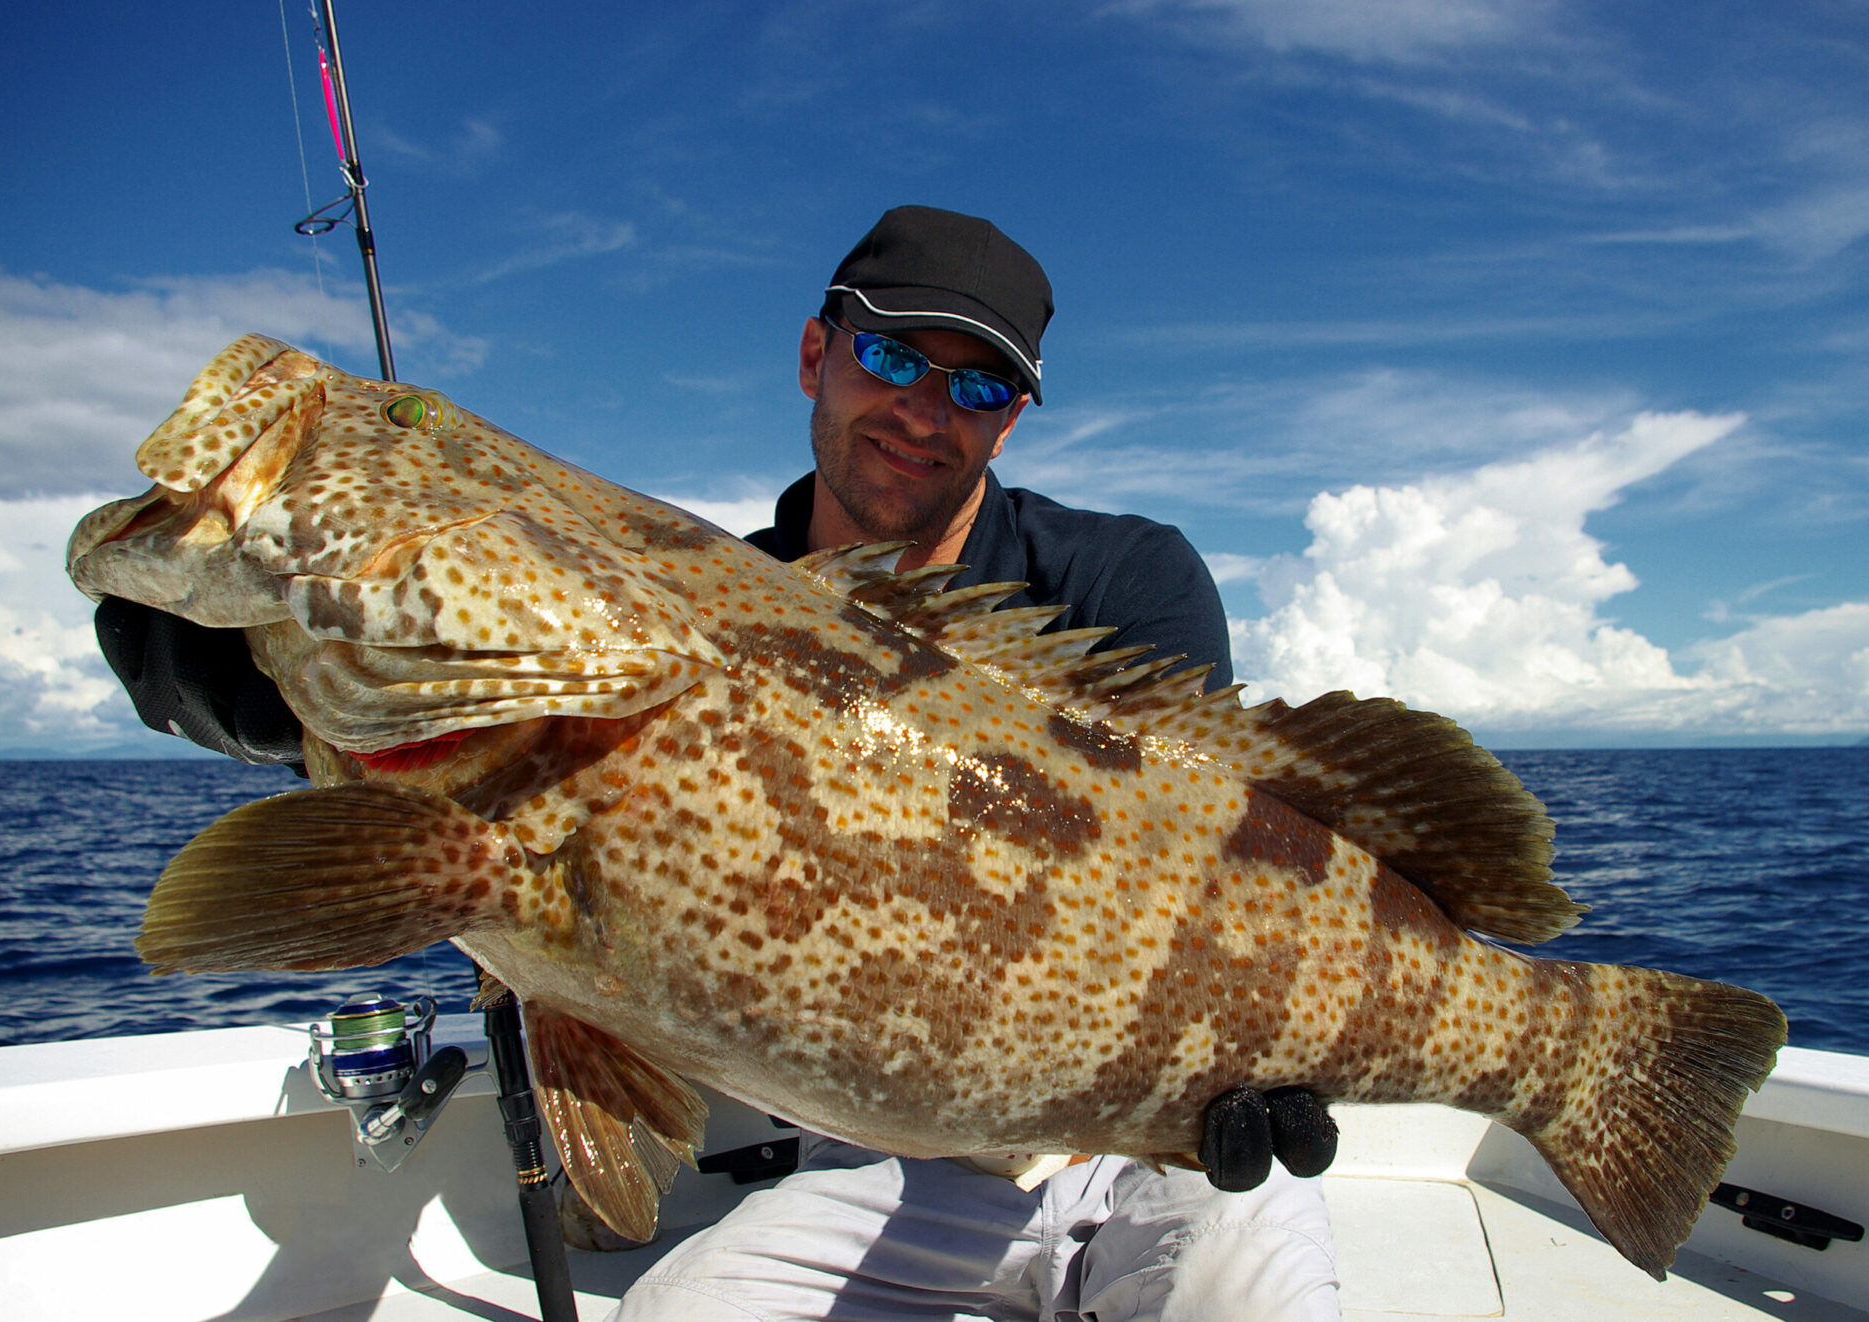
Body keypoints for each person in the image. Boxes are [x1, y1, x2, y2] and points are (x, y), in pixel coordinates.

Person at [95, 205, 1341, 1319]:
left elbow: (1222, 853)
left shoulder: (1121, 582)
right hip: (887, 1161)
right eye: (893, 357)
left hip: (1163, 1145)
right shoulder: (674, 598)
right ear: (817, 352)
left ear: (1011, 417)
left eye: (976, 388)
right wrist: (266, 660)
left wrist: (1252, 1065)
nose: (922, 407)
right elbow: (309, 686)